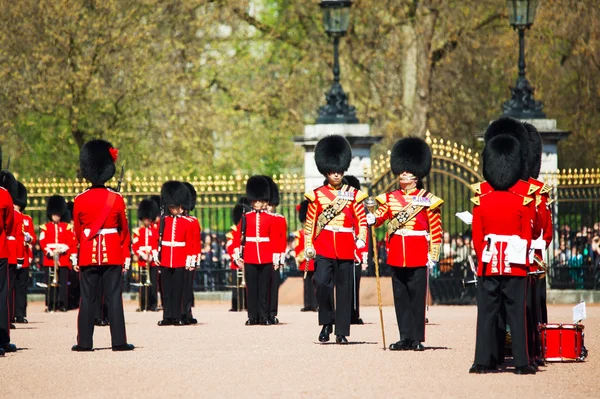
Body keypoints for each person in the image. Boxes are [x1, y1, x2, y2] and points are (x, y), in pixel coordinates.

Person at [469, 118, 536, 375]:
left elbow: (477, 236)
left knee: (486, 315)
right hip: (516, 265)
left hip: (488, 263)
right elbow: (527, 235)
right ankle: (521, 363)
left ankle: (483, 361)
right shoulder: (522, 200)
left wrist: (484, 253)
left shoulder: (482, 199)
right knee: (516, 315)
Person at [368, 137, 443, 351]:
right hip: (397, 252)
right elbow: (382, 216)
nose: (403, 174)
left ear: (416, 176)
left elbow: (435, 227)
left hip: (419, 250)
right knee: (401, 297)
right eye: (401, 170)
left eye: (407, 171)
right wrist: (373, 219)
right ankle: (405, 336)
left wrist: (433, 252)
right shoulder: (390, 198)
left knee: (417, 296)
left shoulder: (428, 199)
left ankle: (417, 337)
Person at [304, 135, 368, 345]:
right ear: (326, 171)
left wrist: (361, 239)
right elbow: (310, 223)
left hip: (346, 246)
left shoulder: (354, 195)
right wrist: (308, 245)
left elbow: (361, 219)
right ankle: (326, 323)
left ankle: (342, 331)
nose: (336, 174)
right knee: (321, 283)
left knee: (344, 289)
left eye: (339, 171)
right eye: (333, 171)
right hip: (323, 246)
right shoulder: (317, 195)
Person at [71, 139, 134, 352]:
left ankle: (84, 342)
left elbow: (78, 233)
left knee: (87, 298)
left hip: (88, 253)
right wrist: (124, 253)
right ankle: (118, 341)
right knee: (114, 297)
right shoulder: (116, 199)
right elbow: (123, 231)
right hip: (113, 253)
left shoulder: (80, 200)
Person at [232, 176, 280, 326]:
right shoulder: (246, 217)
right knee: (251, 288)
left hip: (266, 255)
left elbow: (275, 240)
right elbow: (239, 236)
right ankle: (253, 316)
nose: (258, 203)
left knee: (264, 288)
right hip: (251, 255)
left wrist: (276, 257)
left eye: (260, 201)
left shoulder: (271, 218)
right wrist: (237, 254)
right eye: (255, 201)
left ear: (265, 201)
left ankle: (264, 316)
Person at [156, 181, 195, 326]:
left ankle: (178, 315)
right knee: (166, 290)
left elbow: (190, 242)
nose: (173, 209)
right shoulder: (164, 220)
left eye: (176, 206)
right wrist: (156, 252)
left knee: (178, 289)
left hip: (180, 258)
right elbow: (157, 239)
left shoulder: (187, 222)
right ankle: (168, 315)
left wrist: (191, 259)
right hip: (166, 258)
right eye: (171, 207)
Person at [39, 195, 76, 312]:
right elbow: (42, 241)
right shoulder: (45, 227)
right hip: (50, 258)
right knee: (49, 282)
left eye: (58, 214)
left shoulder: (67, 227)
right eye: (54, 214)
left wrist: (64, 249)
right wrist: (49, 252)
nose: (56, 216)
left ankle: (63, 303)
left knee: (63, 282)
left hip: (63, 257)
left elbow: (71, 241)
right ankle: (50, 303)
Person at [344, 175, 367, 325]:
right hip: (343, 249)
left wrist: (363, 255)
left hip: (356, 253)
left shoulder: (359, 211)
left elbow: (363, 233)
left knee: (354, 285)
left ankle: (354, 313)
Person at [264, 176, 287, 325]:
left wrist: (279, 258)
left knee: (273, 286)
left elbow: (281, 239)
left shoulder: (279, 219)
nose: (268, 207)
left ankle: (272, 312)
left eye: (270, 204)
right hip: (262, 256)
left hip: (274, 256)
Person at [0, 162, 16, 356]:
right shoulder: (4, 194)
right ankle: (2, 339)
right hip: (0, 250)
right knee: (1, 294)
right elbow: (10, 224)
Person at [132, 199, 160, 311]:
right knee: (142, 283)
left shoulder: (154, 231)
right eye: (145, 219)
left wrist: (152, 256)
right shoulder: (138, 231)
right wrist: (142, 255)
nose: (147, 221)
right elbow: (135, 246)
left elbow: (157, 244)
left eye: (148, 219)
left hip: (152, 260)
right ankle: (143, 304)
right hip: (142, 260)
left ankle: (153, 304)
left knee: (153, 283)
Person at [14, 182, 36, 323]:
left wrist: (29, 238)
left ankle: (20, 313)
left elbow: (32, 237)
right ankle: (10, 314)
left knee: (22, 287)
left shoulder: (27, 219)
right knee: (10, 287)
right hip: (12, 254)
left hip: (24, 255)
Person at [182, 182, 201, 325]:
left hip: (188, 258)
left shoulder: (192, 221)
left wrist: (195, 257)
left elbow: (195, 241)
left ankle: (187, 312)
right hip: (175, 257)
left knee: (187, 286)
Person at [226, 197, 249, 312]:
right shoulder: (234, 231)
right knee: (236, 287)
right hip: (236, 263)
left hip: (247, 261)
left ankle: (247, 304)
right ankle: (236, 304)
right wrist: (236, 257)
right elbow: (230, 245)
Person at [294, 200, 317, 312]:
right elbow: (298, 248)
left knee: (315, 284)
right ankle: (308, 304)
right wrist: (301, 257)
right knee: (307, 284)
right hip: (305, 261)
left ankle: (315, 304)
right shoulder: (300, 233)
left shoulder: (316, 231)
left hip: (315, 260)